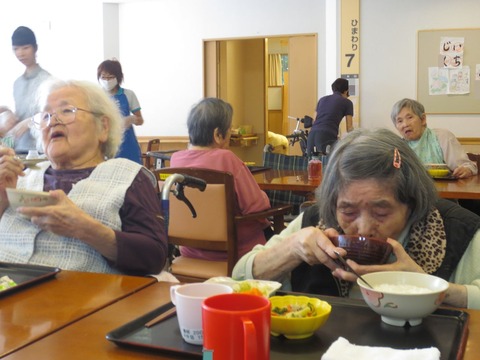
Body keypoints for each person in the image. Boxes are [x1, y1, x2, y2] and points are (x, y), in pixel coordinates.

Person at [233, 128, 480, 310]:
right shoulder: (316, 221)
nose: (363, 228)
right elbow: (239, 279)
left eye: (381, 212)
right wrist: (291, 248)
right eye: (348, 212)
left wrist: (426, 286)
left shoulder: (455, 228)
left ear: (412, 202)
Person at [0, 79, 168, 275]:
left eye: (67, 111)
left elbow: (154, 258)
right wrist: (2, 200)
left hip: (80, 298)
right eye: (45, 115)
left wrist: (85, 229)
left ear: (103, 127)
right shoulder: (19, 175)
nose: (53, 120)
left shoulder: (129, 177)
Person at [170, 97, 272, 261]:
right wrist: (265, 196)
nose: (230, 133)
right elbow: (256, 206)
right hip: (237, 254)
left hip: (190, 253)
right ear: (217, 134)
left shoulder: (175, 160)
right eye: (230, 129)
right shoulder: (226, 158)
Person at [391, 98, 477, 179]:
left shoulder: (442, 137)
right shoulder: (397, 147)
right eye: (399, 121)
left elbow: (468, 166)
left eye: (410, 117)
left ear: (423, 119)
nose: (405, 124)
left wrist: (466, 170)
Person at [2, 26, 52, 154]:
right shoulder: (17, 83)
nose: (20, 53)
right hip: (19, 150)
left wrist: (30, 121)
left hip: (40, 150)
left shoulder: (47, 81)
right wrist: (9, 116)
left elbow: (52, 116)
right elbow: (16, 128)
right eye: (16, 49)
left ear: (35, 48)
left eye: (25, 48)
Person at [97, 59, 143, 164]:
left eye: (110, 77)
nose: (107, 80)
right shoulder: (98, 96)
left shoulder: (128, 94)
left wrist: (131, 119)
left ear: (118, 77)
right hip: (106, 143)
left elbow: (140, 120)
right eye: (103, 77)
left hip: (128, 144)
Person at [306, 78, 353, 156]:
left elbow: (314, 121)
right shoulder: (347, 102)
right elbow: (349, 128)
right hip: (326, 136)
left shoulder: (322, 99)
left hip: (312, 136)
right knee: (330, 164)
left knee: (313, 165)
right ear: (346, 90)